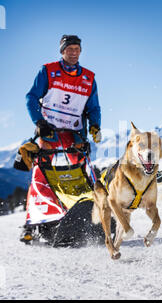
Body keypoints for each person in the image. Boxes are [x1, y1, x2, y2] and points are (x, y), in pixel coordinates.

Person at [20, 34, 101, 242]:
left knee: (82, 172)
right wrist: (39, 122)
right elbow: (31, 97)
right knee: (40, 171)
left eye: (77, 49)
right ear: (62, 51)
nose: (73, 53)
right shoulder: (48, 70)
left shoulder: (89, 78)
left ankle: (90, 214)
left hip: (74, 133)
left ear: (80, 51)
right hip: (50, 131)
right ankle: (31, 223)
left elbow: (93, 107)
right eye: (69, 49)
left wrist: (95, 126)